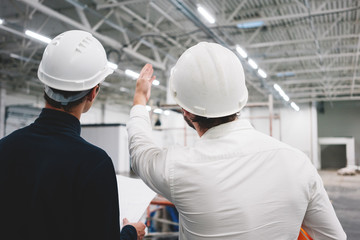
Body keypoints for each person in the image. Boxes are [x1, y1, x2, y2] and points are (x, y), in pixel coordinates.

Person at [126, 42, 347, 239]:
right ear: (241, 100)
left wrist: (139, 100)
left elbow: (139, 150)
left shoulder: (177, 167)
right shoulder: (298, 162)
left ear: (186, 111)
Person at [0, 30, 145, 240]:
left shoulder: (4, 148)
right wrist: (130, 233)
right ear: (93, 92)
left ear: (45, 84)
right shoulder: (94, 164)